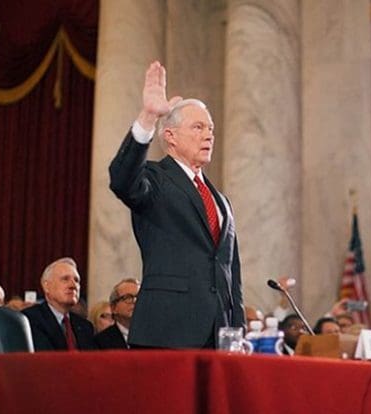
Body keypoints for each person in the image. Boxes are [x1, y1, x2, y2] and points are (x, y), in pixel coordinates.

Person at [109, 61, 244, 348]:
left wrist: (237, 330)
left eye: (211, 129)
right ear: (170, 136)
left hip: (219, 337)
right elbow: (122, 180)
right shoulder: (156, 179)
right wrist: (147, 118)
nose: (208, 135)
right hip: (167, 331)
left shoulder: (220, 200)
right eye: (198, 127)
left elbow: (232, 273)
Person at [22, 258, 95, 351]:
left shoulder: (85, 326)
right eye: (65, 279)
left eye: (76, 280)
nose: (73, 285)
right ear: (46, 286)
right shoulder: (29, 320)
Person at [94, 278, 140, 350]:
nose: (135, 301)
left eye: (139, 297)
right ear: (113, 308)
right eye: (128, 297)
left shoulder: (153, 337)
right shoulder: (100, 341)